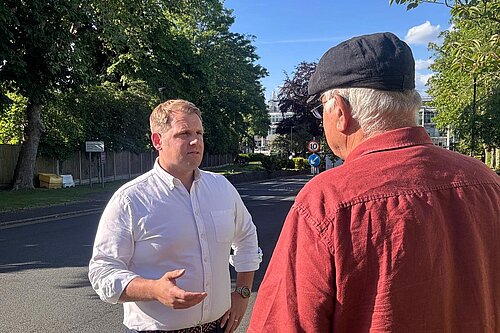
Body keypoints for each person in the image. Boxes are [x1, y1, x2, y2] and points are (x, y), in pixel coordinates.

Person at [248, 32, 500, 332]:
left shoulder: (327, 200)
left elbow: (282, 323)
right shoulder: (487, 183)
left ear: (339, 111)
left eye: (321, 111)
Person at [89, 99, 262, 333]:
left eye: (199, 132)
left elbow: (246, 236)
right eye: (184, 133)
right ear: (158, 141)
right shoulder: (130, 200)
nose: (196, 141)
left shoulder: (222, 188)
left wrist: (243, 292)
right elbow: (103, 272)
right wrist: (154, 290)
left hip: (218, 327)